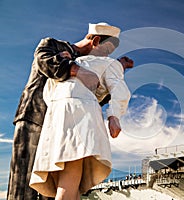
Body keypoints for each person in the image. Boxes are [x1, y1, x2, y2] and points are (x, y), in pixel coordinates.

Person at [7, 22, 114, 200]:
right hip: (35, 118)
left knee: (54, 184)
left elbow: (89, 100)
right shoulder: (52, 44)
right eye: (105, 51)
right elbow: (44, 62)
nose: (104, 57)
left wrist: (110, 83)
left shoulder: (91, 65)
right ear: (95, 41)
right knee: (24, 182)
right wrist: (74, 69)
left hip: (62, 126)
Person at [29, 22, 133, 199]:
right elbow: (119, 91)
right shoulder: (106, 63)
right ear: (97, 41)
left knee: (66, 177)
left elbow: (48, 92)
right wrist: (114, 116)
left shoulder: (69, 61)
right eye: (107, 50)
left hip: (55, 114)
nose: (108, 55)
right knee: (72, 172)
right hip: (81, 113)